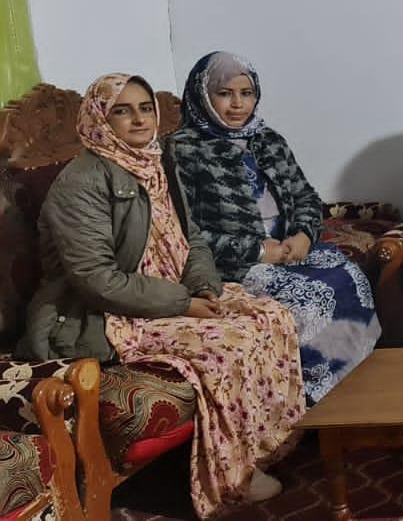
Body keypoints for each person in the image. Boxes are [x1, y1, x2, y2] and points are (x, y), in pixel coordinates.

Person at [18, 74, 303, 517]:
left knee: (271, 316)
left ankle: (263, 448)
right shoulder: (80, 184)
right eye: (122, 110)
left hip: (167, 293)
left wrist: (204, 286)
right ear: (98, 119)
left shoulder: (155, 164)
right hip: (100, 315)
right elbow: (96, 279)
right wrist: (184, 304)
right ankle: (234, 476)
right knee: (228, 344)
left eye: (145, 108)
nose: (138, 119)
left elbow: (192, 238)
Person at [167, 52, 380, 403]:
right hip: (232, 262)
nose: (238, 104)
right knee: (312, 299)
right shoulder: (182, 150)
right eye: (224, 94)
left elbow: (306, 197)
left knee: (352, 278)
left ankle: (354, 382)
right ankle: (315, 398)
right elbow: (180, 229)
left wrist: (304, 234)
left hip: (288, 247)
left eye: (246, 93)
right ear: (202, 96)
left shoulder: (267, 139)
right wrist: (257, 250)